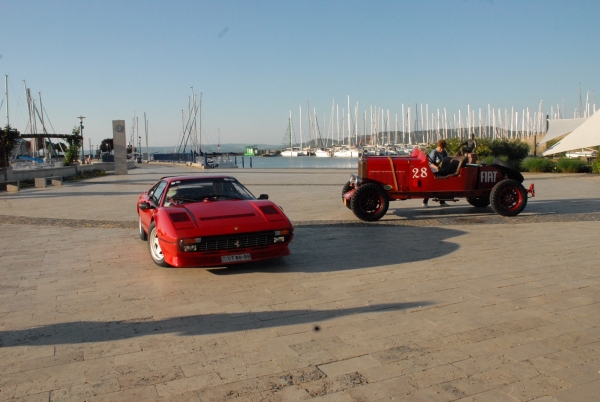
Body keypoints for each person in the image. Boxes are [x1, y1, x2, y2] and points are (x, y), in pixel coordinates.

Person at [423, 139, 448, 208]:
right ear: (438, 146)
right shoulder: (434, 152)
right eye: (441, 148)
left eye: (443, 148)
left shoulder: (444, 153)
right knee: (431, 187)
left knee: (441, 187)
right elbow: (429, 163)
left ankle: (442, 202)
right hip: (433, 172)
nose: (441, 150)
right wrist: (436, 167)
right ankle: (425, 202)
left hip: (441, 172)